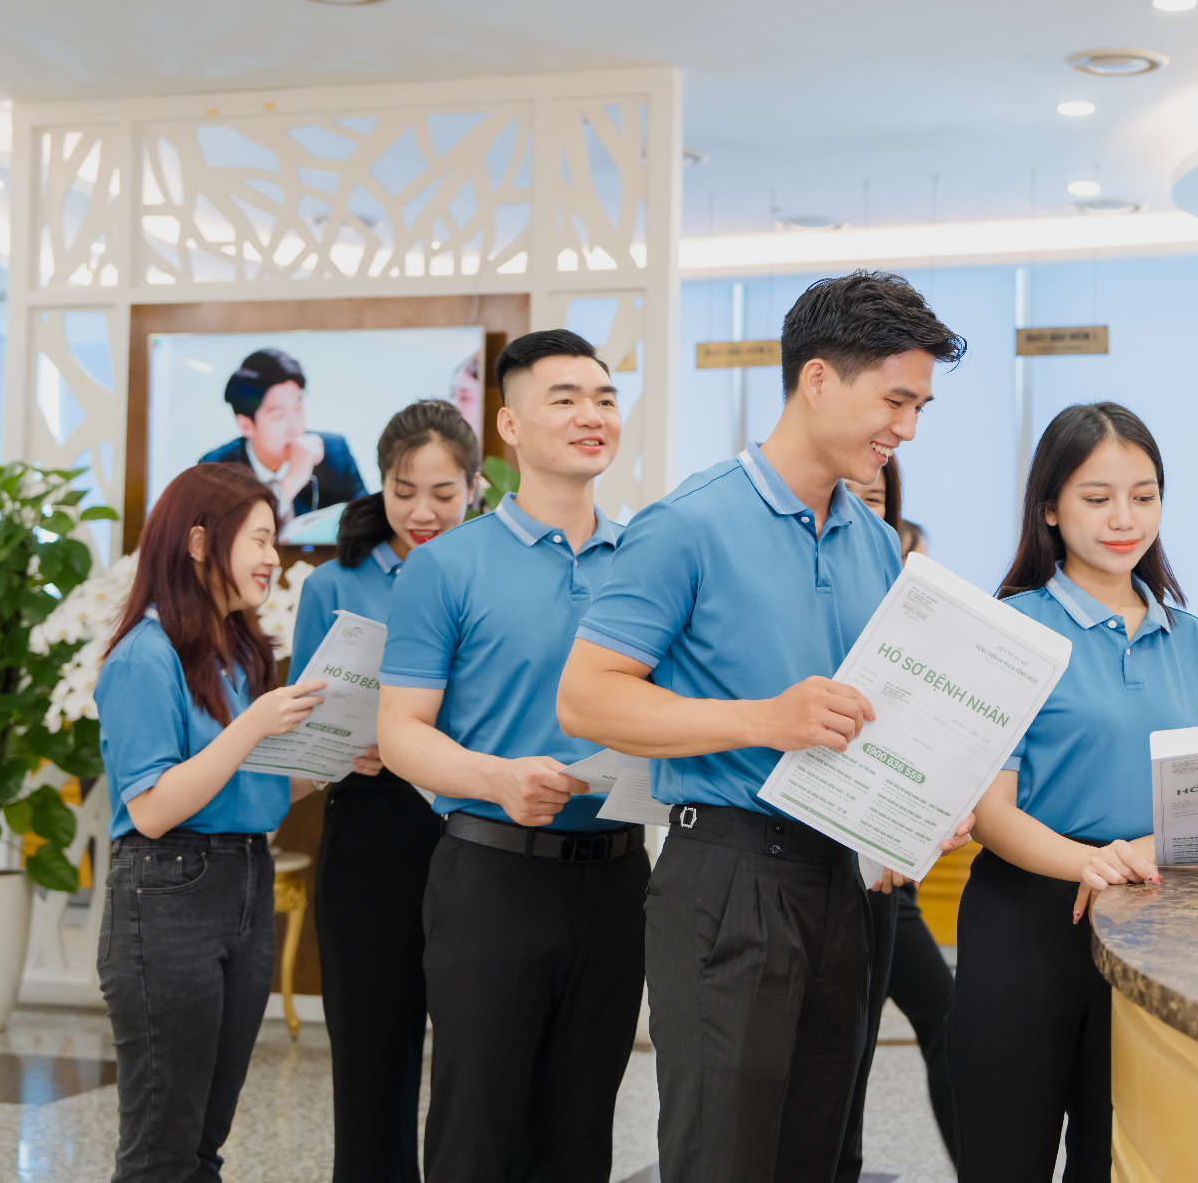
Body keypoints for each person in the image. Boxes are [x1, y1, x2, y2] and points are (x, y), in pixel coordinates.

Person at [557, 271, 971, 1183]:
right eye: (895, 399)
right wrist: (763, 719)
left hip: (849, 885)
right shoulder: (688, 524)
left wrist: (926, 796)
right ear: (818, 380)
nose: (906, 428)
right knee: (724, 1158)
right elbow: (586, 698)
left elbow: (870, 718)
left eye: (919, 406)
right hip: (729, 879)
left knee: (820, 1156)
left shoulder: (871, 541)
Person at [375, 330, 641, 1183]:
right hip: (492, 876)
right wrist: (498, 778)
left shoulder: (650, 560)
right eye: (563, 397)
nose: (590, 414)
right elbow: (400, 731)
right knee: (475, 1129)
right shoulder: (446, 565)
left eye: (603, 397)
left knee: (580, 1133)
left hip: (620, 879)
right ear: (510, 426)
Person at [951, 402, 1198, 1183]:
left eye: (1144, 496)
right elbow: (991, 812)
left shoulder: (1196, 641)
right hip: (1027, 923)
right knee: (1005, 1159)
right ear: (1050, 506)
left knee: (1117, 1164)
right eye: (1097, 496)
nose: (1124, 518)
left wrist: (1140, 856)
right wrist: (1090, 863)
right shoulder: (1012, 627)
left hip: (1156, 925)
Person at [94, 463, 329, 1183]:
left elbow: (245, 793)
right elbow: (156, 806)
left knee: (202, 1144)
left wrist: (334, 761)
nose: (272, 557)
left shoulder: (235, 651)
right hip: (167, 894)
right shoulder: (143, 654)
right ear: (200, 542)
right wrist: (256, 723)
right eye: (260, 539)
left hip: (243, 882)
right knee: (161, 1149)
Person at [292, 399, 479, 1183]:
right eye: (405, 490)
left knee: (479, 1069)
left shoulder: (491, 573)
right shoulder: (331, 586)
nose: (423, 510)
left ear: (475, 485)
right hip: (371, 831)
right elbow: (303, 727)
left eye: (443, 492)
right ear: (380, 484)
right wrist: (342, 747)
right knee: (371, 1068)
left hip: (474, 829)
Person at [840, 455, 959, 1171]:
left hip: (890, 871)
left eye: (875, 496)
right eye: (847, 492)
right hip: (820, 863)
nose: (861, 506)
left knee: (945, 1018)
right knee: (841, 1052)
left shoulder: (903, 589)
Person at [200, 348, 367, 522]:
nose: (295, 427)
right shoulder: (216, 469)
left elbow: (368, 520)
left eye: (298, 408)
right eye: (278, 416)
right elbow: (224, 537)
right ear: (246, 425)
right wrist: (291, 482)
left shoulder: (334, 452)